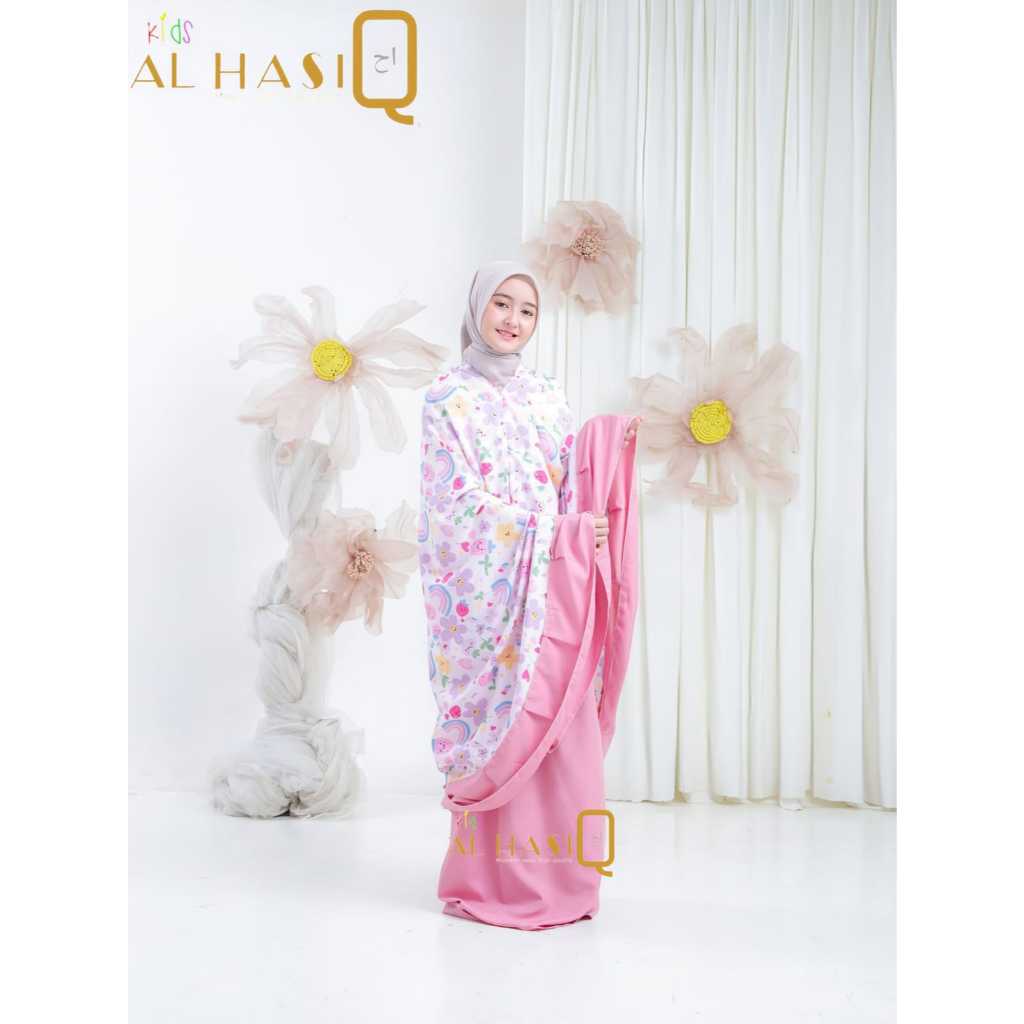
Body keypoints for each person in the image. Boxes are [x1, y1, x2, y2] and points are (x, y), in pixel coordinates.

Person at [417, 259, 641, 930]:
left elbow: (569, 484)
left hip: (554, 590)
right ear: (477, 308)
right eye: (502, 304)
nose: (513, 320)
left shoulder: (546, 394)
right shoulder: (448, 397)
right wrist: (549, 531)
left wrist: (607, 449)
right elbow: (454, 506)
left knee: (561, 729)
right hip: (492, 600)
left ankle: (562, 880)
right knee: (505, 724)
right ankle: (494, 882)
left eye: (527, 310)